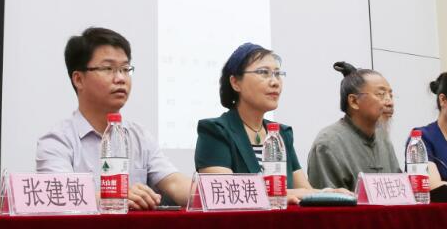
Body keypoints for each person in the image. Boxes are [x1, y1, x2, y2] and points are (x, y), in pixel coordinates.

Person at [36, 27, 191, 209]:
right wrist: (113, 197)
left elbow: (174, 183)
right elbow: (59, 197)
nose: (121, 78)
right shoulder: (57, 142)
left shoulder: (139, 137)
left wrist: (207, 193)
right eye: (108, 68)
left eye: (125, 69)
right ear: (78, 79)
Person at [195, 42, 343, 203]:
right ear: (235, 82)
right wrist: (284, 194)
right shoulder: (215, 131)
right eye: (264, 73)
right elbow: (225, 193)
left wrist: (330, 192)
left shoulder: (281, 134)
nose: (275, 82)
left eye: (278, 74)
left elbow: (305, 191)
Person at [307, 61, 401, 190]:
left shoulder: (383, 139)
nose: (390, 102)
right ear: (354, 101)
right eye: (380, 94)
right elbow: (326, 199)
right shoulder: (328, 143)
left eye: (390, 95)